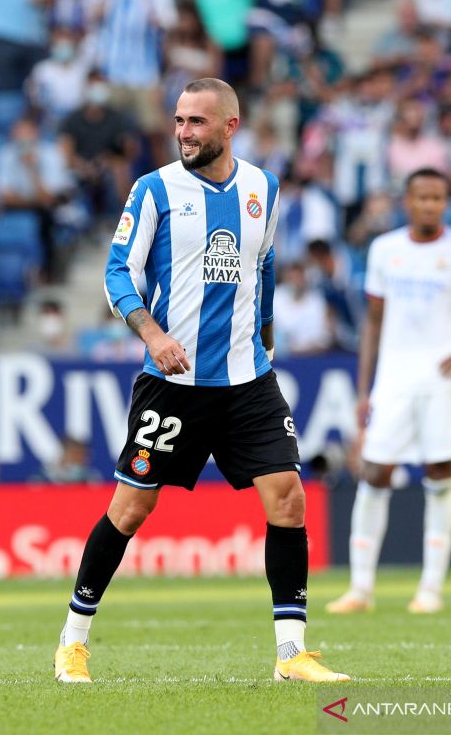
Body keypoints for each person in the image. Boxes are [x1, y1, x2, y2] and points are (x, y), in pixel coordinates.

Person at [53, 78, 349, 685]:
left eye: (196, 122)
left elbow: (261, 266)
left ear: (230, 126)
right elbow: (118, 272)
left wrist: (265, 330)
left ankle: (292, 655)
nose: (184, 132)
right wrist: (152, 334)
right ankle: (72, 642)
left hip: (248, 379)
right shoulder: (155, 189)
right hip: (173, 384)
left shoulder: (263, 188)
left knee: (288, 499)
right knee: (131, 509)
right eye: (179, 121)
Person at [327, 168, 451, 616]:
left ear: (446, 202)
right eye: (422, 197)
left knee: (439, 473)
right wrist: (365, 389)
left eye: (438, 198)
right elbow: (374, 325)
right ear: (408, 201)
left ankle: (431, 589)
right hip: (394, 380)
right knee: (376, 472)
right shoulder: (386, 250)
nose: (430, 205)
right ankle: (361, 589)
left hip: (441, 379)